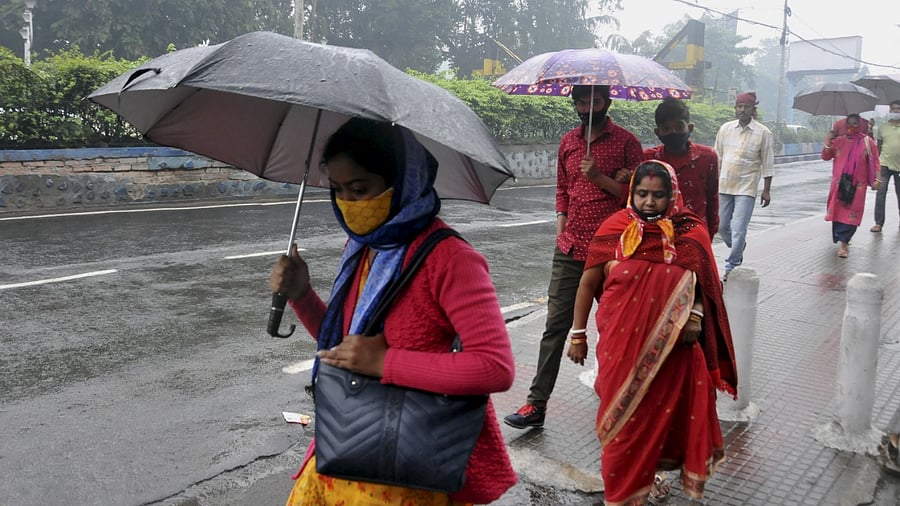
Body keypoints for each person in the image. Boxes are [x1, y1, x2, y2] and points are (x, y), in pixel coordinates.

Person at [270, 118, 517, 505]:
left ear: (402, 180)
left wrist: (386, 363)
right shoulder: (364, 248)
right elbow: (346, 349)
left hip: (405, 468)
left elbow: (494, 367)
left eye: (360, 189)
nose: (349, 205)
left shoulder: (450, 259)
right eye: (338, 190)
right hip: (345, 448)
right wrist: (302, 295)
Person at [566, 160, 738, 505]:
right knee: (621, 424)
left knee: (658, 420)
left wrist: (694, 315)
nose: (648, 202)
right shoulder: (615, 228)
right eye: (642, 194)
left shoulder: (690, 232)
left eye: (658, 195)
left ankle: (645, 484)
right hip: (620, 348)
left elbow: (705, 285)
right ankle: (623, 494)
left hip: (672, 351)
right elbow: (588, 282)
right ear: (632, 193)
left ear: (672, 195)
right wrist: (578, 333)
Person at [503, 84, 643, 429]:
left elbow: (640, 198)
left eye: (593, 100)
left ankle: (622, 401)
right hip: (570, 248)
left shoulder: (627, 143)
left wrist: (601, 178)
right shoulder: (568, 142)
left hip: (613, 250)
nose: (586, 106)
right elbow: (563, 189)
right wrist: (561, 227)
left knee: (617, 330)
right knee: (555, 327)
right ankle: (536, 404)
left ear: (606, 102)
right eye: (581, 101)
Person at [714, 91, 775, 279]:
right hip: (724, 184)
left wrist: (766, 190)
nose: (742, 110)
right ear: (735, 108)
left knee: (739, 228)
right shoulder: (725, 129)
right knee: (723, 226)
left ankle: (732, 266)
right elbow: (717, 157)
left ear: (752, 109)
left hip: (746, 188)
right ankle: (738, 246)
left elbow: (767, 162)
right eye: (739, 106)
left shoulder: (763, 133)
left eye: (746, 107)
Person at [643, 97, 720, 239]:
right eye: (666, 129)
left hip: (695, 233)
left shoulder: (708, 157)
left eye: (679, 127)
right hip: (657, 234)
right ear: (657, 132)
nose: (673, 132)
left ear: (690, 128)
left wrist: (710, 233)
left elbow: (712, 196)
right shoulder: (648, 159)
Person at [822, 113, 881, 257]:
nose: (852, 127)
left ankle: (844, 243)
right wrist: (828, 140)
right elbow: (825, 156)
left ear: (860, 125)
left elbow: (875, 161)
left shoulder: (868, 142)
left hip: (857, 186)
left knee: (852, 214)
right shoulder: (839, 141)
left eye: (856, 123)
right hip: (839, 184)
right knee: (838, 212)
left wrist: (877, 179)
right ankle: (842, 239)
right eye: (850, 123)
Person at [871, 99, 900, 233]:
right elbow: (878, 147)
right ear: (890, 110)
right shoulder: (883, 127)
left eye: (898, 109)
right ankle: (878, 223)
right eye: (893, 108)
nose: (895, 111)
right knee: (881, 193)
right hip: (884, 165)